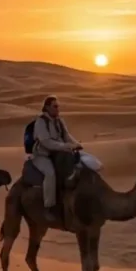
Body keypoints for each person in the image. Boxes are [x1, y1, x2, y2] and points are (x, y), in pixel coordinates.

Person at [31, 95, 81, 223]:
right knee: (50, 174)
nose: (58, 109)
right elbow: (46, 142)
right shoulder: (41, 122)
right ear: (47, 107)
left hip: (59, 153)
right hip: (42, 156)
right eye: (55, 106)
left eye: (58, 106)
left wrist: (76, 144)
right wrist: (66, 146)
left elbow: (66, 136)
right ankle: (48, 208)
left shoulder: (59, 121)